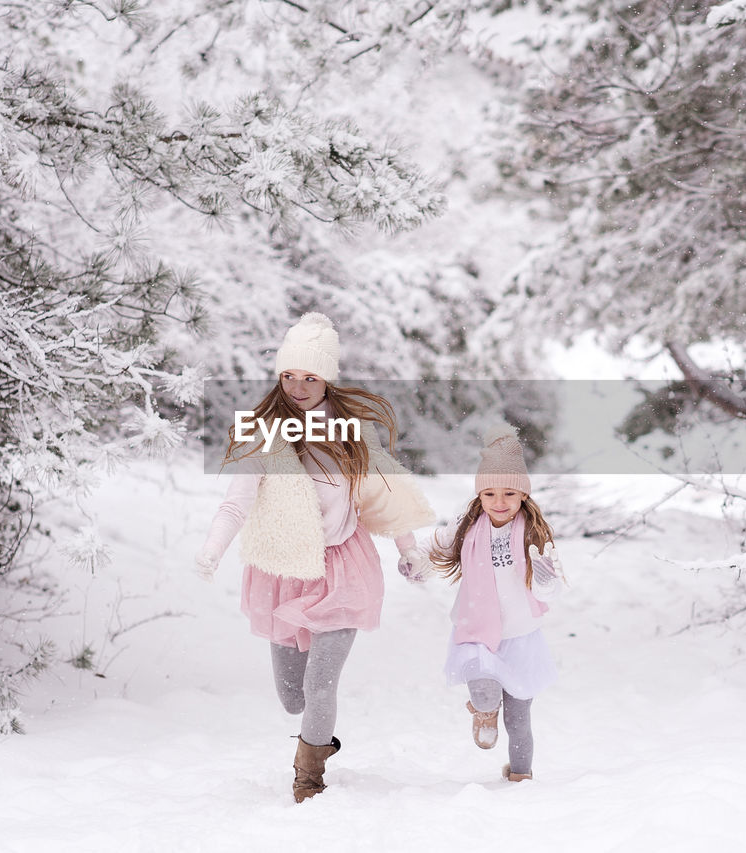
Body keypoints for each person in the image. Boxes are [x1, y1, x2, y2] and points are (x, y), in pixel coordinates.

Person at [194, 312, 434, 803]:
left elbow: (382, 494)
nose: (299, 386)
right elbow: (235, 502)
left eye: (310, 376)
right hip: (284, 571)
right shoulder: (261, 433)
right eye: (289, 375)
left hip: (342, 569)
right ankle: (319, 740)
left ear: (326, 378)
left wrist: (409, 551)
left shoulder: (350, 432)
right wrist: (212, 549)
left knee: (321, 687)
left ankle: (308, 777)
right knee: (293, 698)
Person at [411, 423, 565, 783]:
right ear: (479, 495)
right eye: (490, 494)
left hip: (521, 636)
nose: (500, 503)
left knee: (519, 719)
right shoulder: (468, 525)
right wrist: (414, 560)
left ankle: (520, 776)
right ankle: (483, 710)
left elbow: (551, 589)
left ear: (523, 496)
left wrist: (545, 582)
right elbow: (435, 545)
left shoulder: (533, 533)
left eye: (510, 494)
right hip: (476, 631)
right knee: (484, 692)